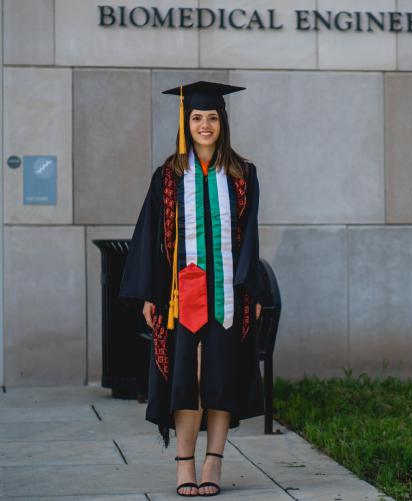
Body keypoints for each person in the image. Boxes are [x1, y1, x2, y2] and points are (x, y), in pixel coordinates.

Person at [120, 80, 265, 497]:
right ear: (187, 121)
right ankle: (185, 462)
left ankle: (213, 462)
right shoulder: (168, 177)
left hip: (228, 295)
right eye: (197, 118)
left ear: (223, 123)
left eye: (212, 118)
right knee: (189, 380)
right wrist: (149, 292)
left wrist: (251, 290)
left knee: (220, 379)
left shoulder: (242, 175)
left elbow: (250, 237)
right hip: (180, 297)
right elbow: (150, 236)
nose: (205, 125)